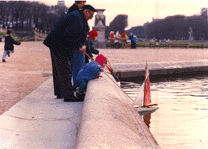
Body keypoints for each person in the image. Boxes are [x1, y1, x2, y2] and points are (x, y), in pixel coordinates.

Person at [43, 5, 97, 102]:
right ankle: (68, 96)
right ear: (86, 11)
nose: (91, 18)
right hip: (59, 45)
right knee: (65, 70)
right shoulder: (77, 19)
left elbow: (75, 36)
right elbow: (69, 36)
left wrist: (81, 46)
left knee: (58, 70)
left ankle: (60, 93)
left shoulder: (78, 17)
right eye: (91, 15)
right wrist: (79, 47)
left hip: (56, 43)